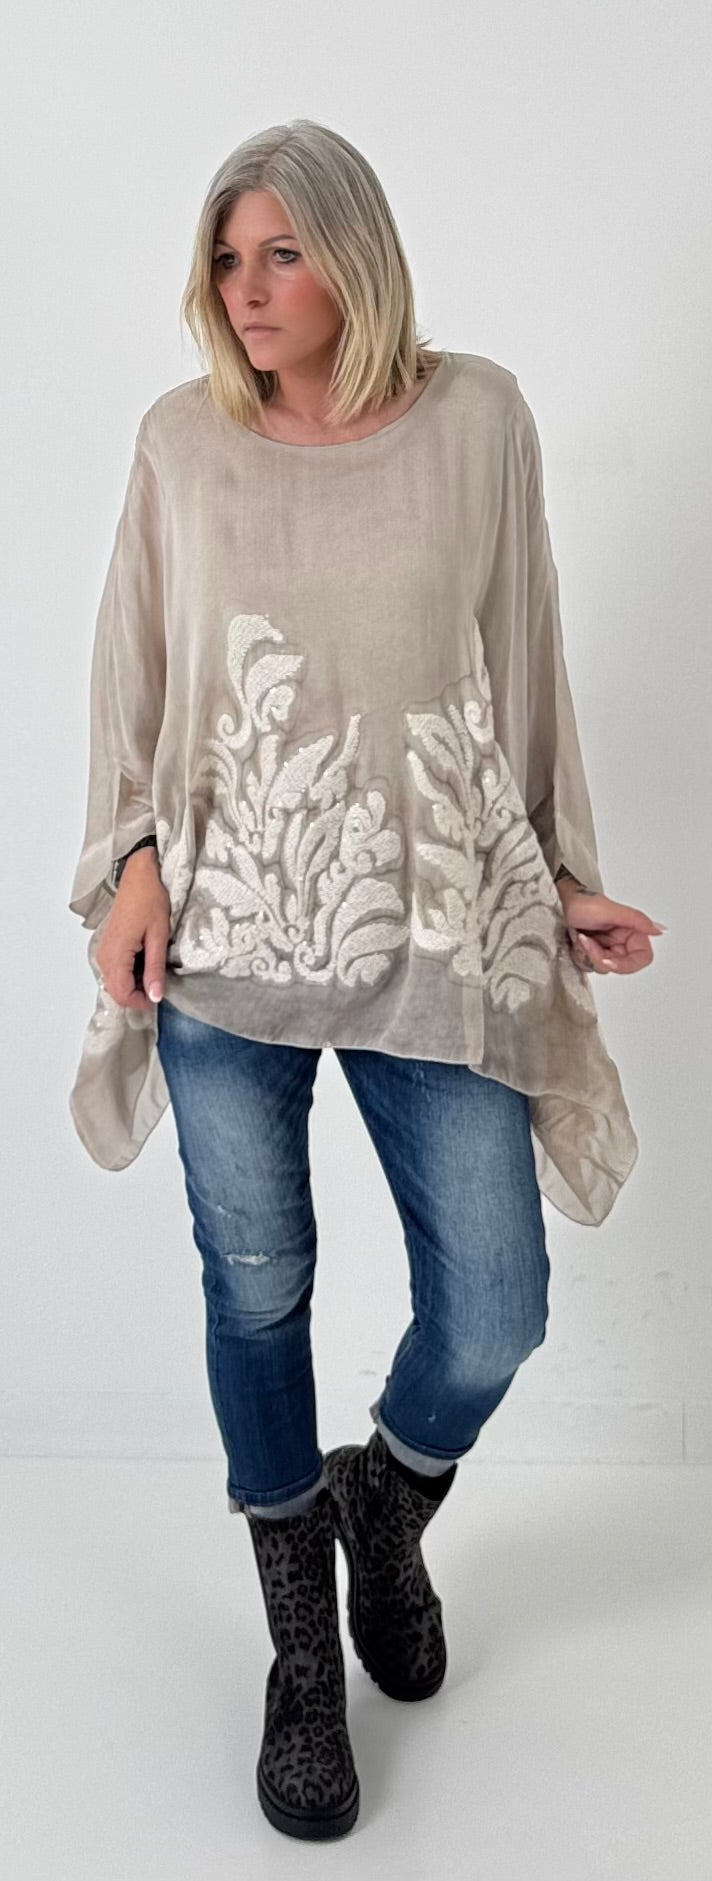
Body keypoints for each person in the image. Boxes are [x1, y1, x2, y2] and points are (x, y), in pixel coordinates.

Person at [67, 118, 666, 1842]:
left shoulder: (479, 421)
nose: (246, 290)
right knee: (257, 1288)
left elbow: (524, 663)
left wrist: (557, 874)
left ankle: (384, 1500)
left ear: (356, 254)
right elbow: (134, 679)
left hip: (430, 930)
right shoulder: (183, 442)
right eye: (226, 257)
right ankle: (299, 1654)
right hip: (223, 948)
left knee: (497, 1301)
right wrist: (129, 860)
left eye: (282, 253)